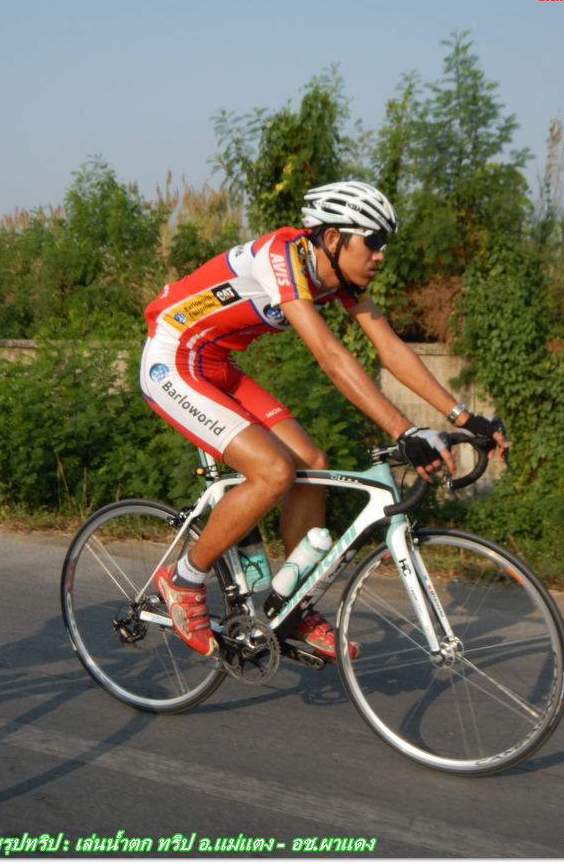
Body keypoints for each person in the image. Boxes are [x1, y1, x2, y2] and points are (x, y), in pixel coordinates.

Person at [140, 181, 509, 660]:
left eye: (383, 244)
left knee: (312, 462)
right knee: (274, 471)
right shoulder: (282, 257)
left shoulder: (338, 277)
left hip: (217, 367)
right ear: (333, 238)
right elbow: (331, 357)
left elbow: (389, 347)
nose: (380, 254)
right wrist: (403, 430)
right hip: (173, 361)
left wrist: (465, 415)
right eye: (372, 241)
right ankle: (184, 580)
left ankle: (292, 606)